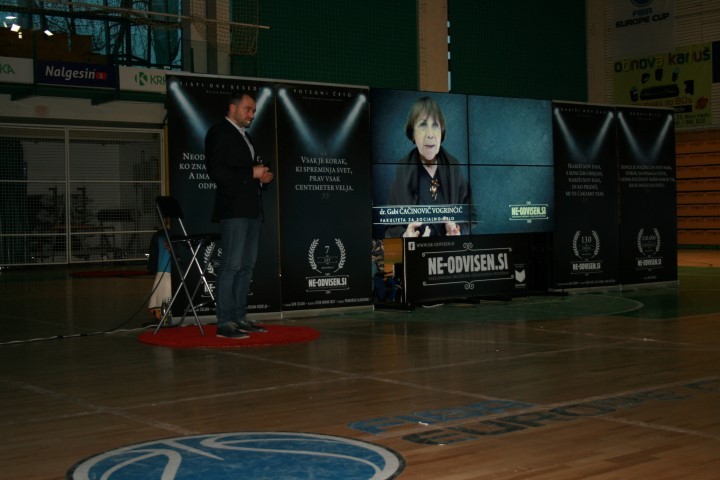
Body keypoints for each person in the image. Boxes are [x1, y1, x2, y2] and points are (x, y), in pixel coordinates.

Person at [206, 92, 274, 339]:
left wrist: (262, 177)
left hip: (253, 209)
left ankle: (239, 317)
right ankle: (224, 322)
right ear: (232, 108)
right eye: (248, 109)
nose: (252, 115)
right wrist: (251, 173)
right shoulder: (219, 132)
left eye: (254, 110)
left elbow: (248, 172)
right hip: (234, 210)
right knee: (232, 266)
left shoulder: (246, 136)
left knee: (246, 266)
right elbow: (216, 171)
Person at [385, 96, 471, 238]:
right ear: (413, 134)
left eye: (435, 125)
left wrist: (458, 232)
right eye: (423, 124)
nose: (430, 134)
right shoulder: (401, 171)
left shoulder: (454, 167)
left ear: (441, 132)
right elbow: (390, 230)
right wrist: (405, 237)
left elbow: (470, 216)